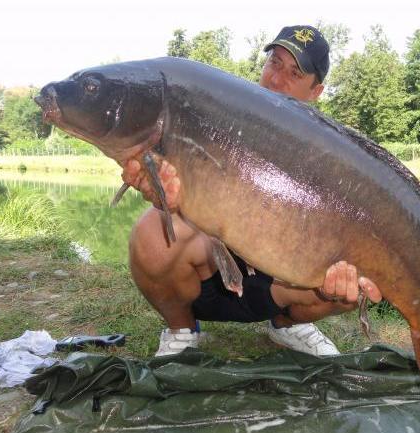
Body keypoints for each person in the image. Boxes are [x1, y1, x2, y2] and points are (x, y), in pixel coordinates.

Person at [121, 25, 382, 357]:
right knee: (152, 232)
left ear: (316, 92)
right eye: (274, 63)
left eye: (294, 73)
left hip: (280, 287)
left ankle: (290, 326)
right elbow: (183, 192)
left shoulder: (326, 159)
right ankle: (181, 330)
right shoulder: (222, 118)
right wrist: (163, 194)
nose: (276, 79)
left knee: (357, 283)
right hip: (212, 276)